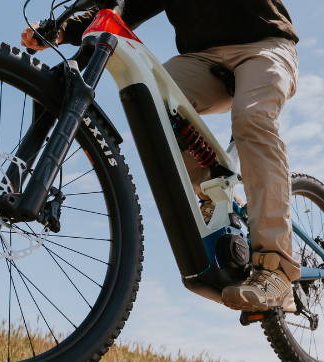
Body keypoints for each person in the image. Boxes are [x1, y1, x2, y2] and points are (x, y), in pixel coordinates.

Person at [22, 0, 300, 313]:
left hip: (265, 46)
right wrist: (62, 29)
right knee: (150, 99)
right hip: (202, 59)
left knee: (252, 119)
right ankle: (212, 194)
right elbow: (127, 6)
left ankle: (277, 270)